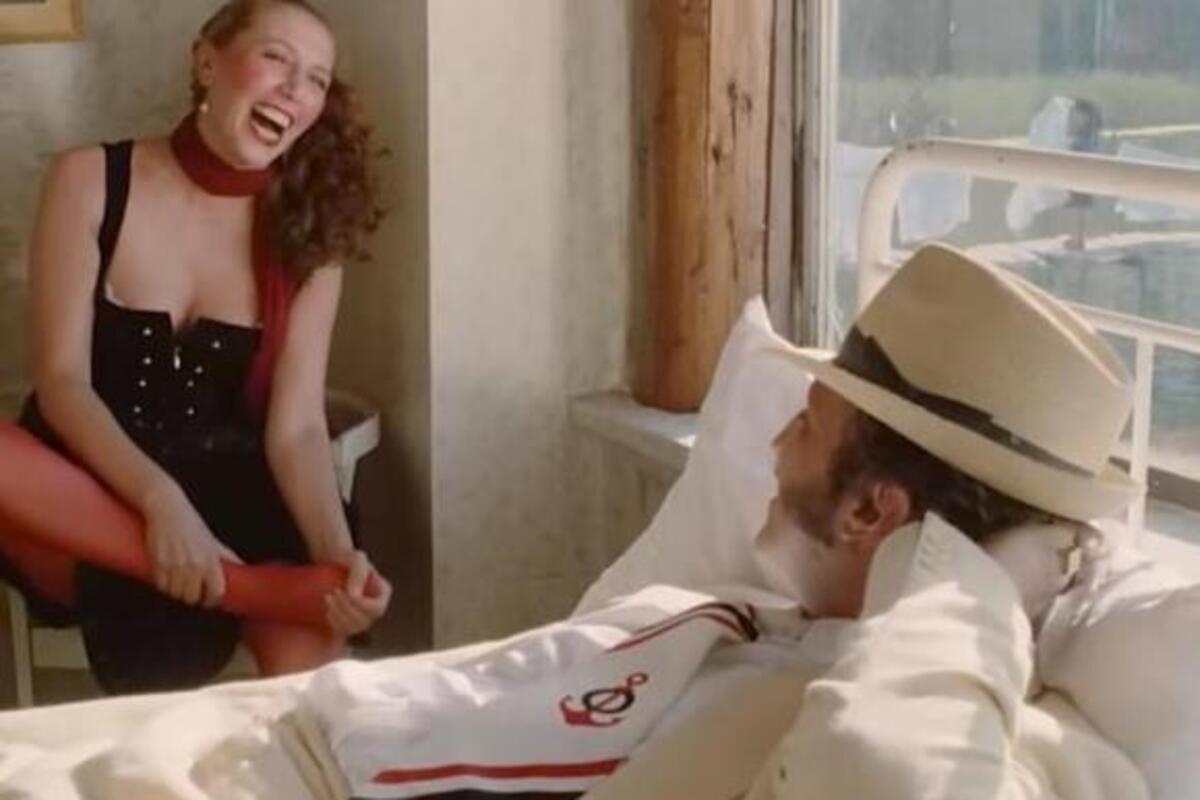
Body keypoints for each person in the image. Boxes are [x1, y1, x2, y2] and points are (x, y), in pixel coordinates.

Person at [584, 242, 1148, 799]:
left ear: (869, 511)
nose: (777, 444)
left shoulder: (1018, 754)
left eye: (806, 425)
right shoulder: (715, 622)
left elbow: (884, 770)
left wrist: (970, 583)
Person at [0, 0, 392, 694]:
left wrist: (337, 559)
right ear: (207, 60)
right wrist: (162, 501)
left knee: (316, 698)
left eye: (316, 79)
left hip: (239, 491)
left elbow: (298, 427)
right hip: (97, 489)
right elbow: (61, 382)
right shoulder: (88, 179)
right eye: (276, 58)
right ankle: (249, 589)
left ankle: (259, 583)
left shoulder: (311, 233)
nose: (295, 89)